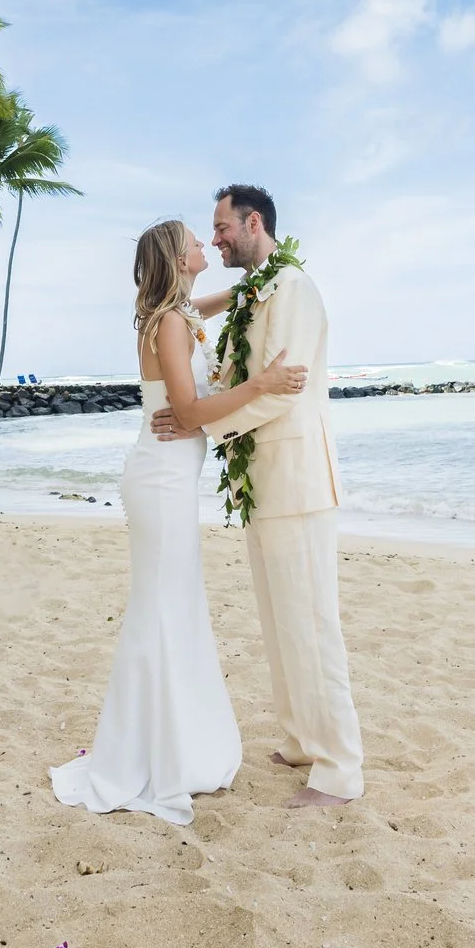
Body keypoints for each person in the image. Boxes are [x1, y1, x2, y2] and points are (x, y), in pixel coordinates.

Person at [48, 219, 306, 825]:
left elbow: (206, 307)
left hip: (168, 479)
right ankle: (145, 752)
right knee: (160, 611)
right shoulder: (169, 322)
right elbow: (187, 412)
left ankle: (171, 743)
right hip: (160, 481)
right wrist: (262, 384)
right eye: (194, 240)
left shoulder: (179, 313)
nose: (203, 246)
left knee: (176, 608)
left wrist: (250, 291)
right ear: (177, 256)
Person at [153, 184, 362, 807]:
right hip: (263, 481)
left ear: (253, 223)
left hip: (297, 480)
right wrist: (206, 399)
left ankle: (340, 768)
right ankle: (301, 739)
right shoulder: (252, 291)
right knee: (280, 622)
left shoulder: (293, 289)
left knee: (313, 623)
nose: (214, 238)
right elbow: (240, 377)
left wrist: (198, 421)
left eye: (221, 228)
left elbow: (282, 390)